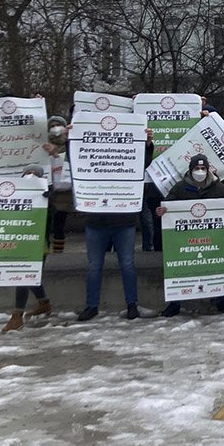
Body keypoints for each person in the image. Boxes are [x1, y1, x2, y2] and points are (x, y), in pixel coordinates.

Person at [77, 131, 154, 322]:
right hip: (96, 222)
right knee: (94, 267)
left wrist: (146, 145)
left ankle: (132, 305)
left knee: (127, 265)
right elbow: (78, 160)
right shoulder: (91, 163)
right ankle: (91, 306)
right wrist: (73, 138)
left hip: (123, 222)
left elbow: (141, 163)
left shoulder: (126, 163)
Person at [157, 154, 224, 317]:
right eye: (197, 168)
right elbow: (168, 205)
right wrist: (162, 211)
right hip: (185, 240)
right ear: (190, 170)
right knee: (181, 264)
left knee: (217, 261)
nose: (200, 171)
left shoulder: (218, 187)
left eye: (203, 168)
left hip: (213, 237)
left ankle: (220, 299)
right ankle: (175, 302)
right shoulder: (180, 187)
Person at [0, 165, 54, 332]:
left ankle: (17, 316)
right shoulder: (13, 195)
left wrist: (47, 199)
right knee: (29, 275)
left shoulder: (45, 196)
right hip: (19, 241)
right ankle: (44, 303)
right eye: (28, 173)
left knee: (23, 276)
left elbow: (51, 220)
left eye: (35, 174)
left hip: (37, 243)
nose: (31, 176)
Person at [41, 115, 73, 253]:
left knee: (59, 223)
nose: (55, 128)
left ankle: (58, 253)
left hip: (63, 191)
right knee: (45, 225)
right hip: (47, 189)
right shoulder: (44, 143)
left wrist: (54, 155)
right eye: (52, 126)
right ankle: (44, 250)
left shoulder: (70, 142)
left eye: (57, 125)